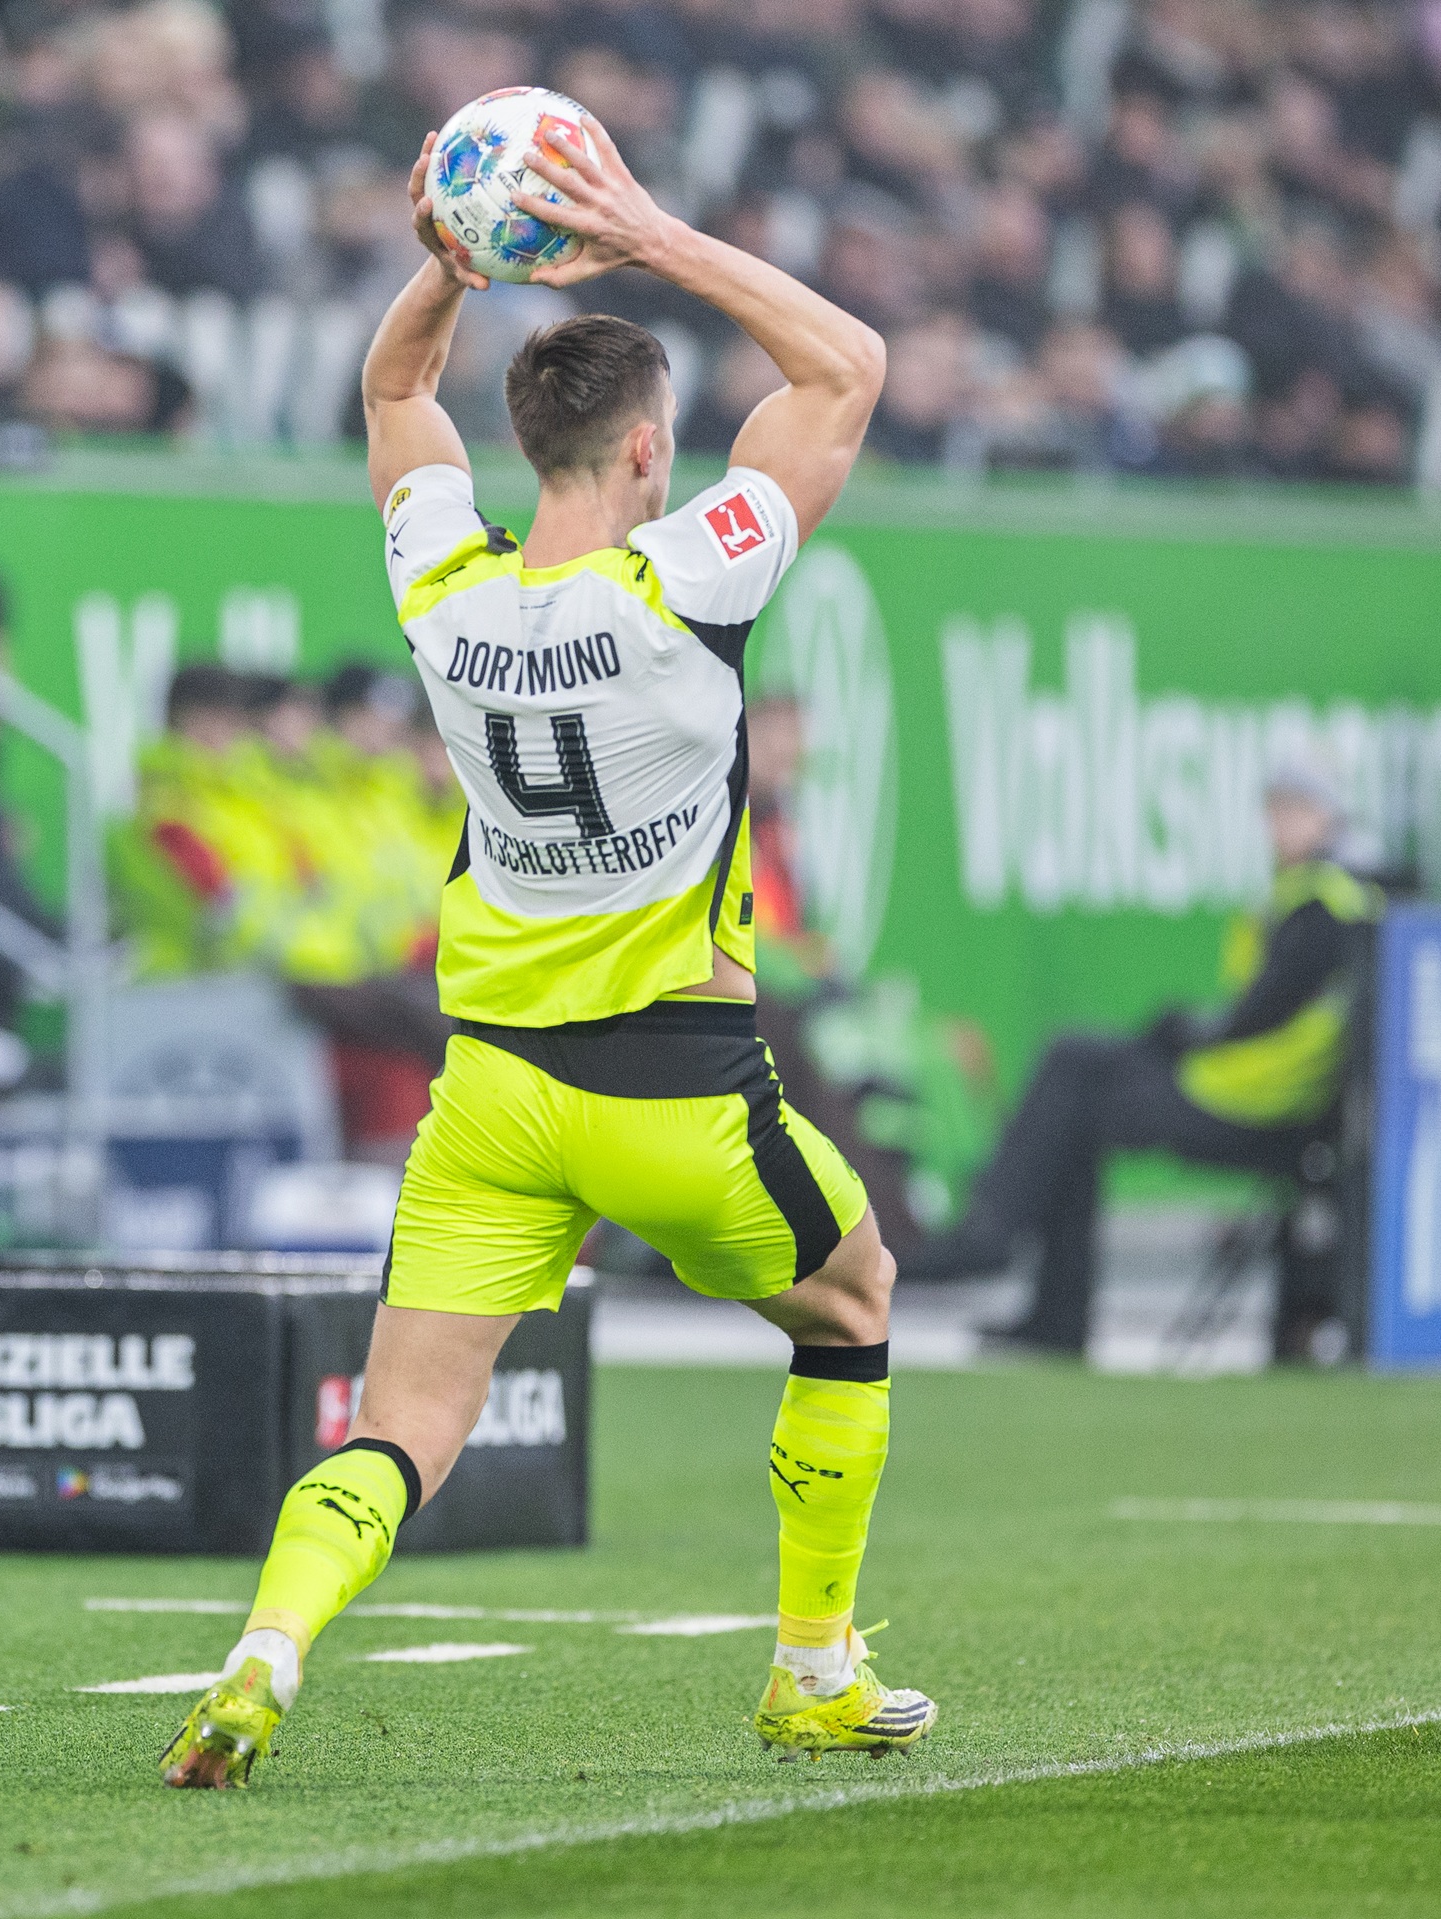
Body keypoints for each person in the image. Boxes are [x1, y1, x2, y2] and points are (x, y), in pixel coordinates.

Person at [161, 115, 927, 1788]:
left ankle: (262, 1646)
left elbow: (387, 400)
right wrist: (646, 231)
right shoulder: (683, 586)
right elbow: (845, 365)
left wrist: (444, 267)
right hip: (677, 1086)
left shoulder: (448, 588)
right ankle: (810, 1663)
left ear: (526, 441)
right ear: (650, 449)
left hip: (490, 1095)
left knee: (400, 1426)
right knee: (851, 1295)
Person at [907, 757, 1381, 1359]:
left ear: (1328, 816)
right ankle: (1046, 1306)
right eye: (1274, 809)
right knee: (1075, 1086)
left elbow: (1259, 1015)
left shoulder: (1324, 903)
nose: (1277, 826)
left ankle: (995, 1237)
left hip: (1252, 1109)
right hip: (1254, 1097)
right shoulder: (1335, 895)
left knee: (1072, 1068)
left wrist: (1187, 1033)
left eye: (1294, 810)